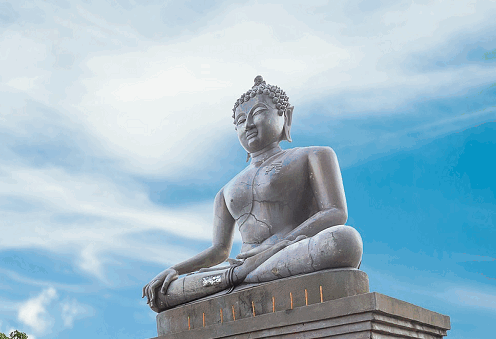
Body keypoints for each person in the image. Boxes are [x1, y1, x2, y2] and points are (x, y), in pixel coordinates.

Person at [143, 76, 363, 312]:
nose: (247, 124)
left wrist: (277, 244)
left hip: (286, 253)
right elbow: (219, 250)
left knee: (343, 242)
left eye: (258, 113)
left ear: (285, 116)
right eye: (239, 120)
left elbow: (335, 212)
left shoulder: (313, 155)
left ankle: (239, 279)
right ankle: (241, 276)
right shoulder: (226, 190)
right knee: (163, 293)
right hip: (239, 265)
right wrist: (176, 270)